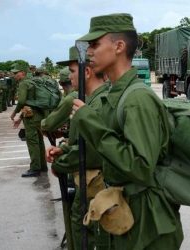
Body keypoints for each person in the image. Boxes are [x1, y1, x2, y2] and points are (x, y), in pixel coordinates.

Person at [72, 13, 183, 249]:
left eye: (95, 44)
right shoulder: (118, 94)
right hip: (126, 210)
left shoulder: (136, 99)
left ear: (119, 46)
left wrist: (90, 123)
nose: (89, 51)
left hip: (147, 223)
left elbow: (140, 166)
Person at [46, 47, 111, 250]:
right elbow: (81, 140)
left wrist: (62, 162)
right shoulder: (88, 101)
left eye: (73, 71)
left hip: (95, 183)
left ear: (87, 72)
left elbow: (93, 151)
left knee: (91, 234)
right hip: (87, 181)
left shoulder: (98, 104)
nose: (68, 77)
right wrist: (64, 150)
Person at [10, 63, 47, 177]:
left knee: (32, 142)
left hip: (31, 117)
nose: (14, 75)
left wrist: (15, 112)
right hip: (38, 115)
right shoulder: (33, 81)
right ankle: (43, 166)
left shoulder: (23, 83)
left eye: (16, 73)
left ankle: (35, 168)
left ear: (23, 73)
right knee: (39, 141)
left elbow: (21, 101)